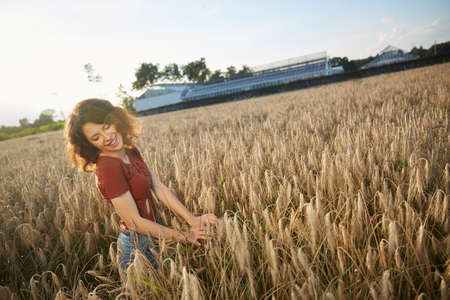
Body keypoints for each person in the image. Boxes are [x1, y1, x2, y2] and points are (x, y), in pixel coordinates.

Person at [64, 98, 218, 272]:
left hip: (156, 233)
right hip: (136, 248)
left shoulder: (129, 150)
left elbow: (157, 186)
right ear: (89, 145)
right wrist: (185, 236)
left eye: (106, 126)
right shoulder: (107, 168)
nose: (107, 137)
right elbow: (135, 222)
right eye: (96, 137)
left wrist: (193, 219)